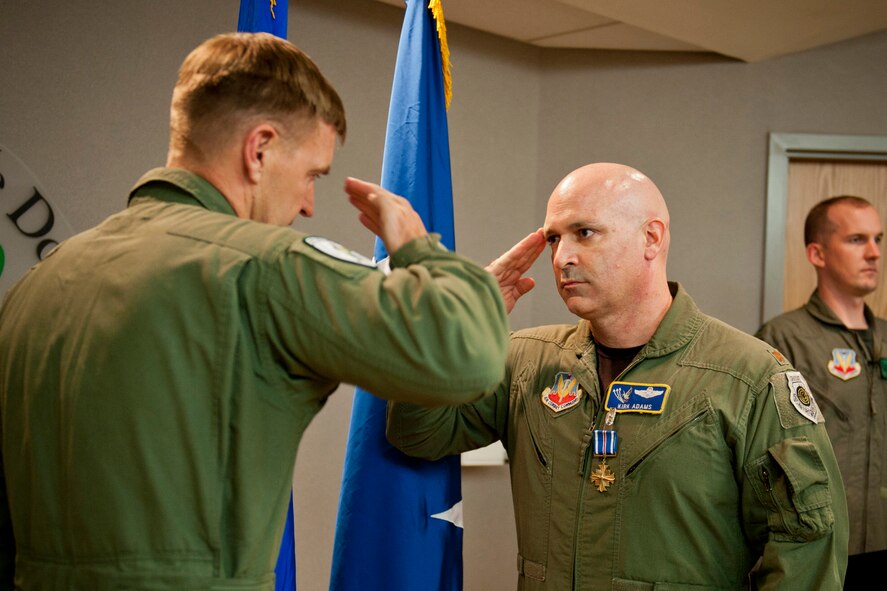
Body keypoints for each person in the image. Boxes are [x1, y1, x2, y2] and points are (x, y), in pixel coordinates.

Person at [0, 32, 510, 589]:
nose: (309, 204)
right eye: (313, 173)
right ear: (260, 149)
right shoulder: (265, 269)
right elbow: (471, 357)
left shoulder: (36, 286)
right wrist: (418, 247)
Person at [387, 162, 850, 589]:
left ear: (651, 238)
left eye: (584, 233)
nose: (562, 257)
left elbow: (805, 553)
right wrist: (451, 333)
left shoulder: (747, 376)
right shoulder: (527, 361)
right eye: (553, 239)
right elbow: (417, 435)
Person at [756, 195, 887, 587]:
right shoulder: (783, 338)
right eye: (856, 240)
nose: (874, 253)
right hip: (821, 546)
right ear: (817, 253)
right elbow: (764, 452)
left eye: (879, 239)